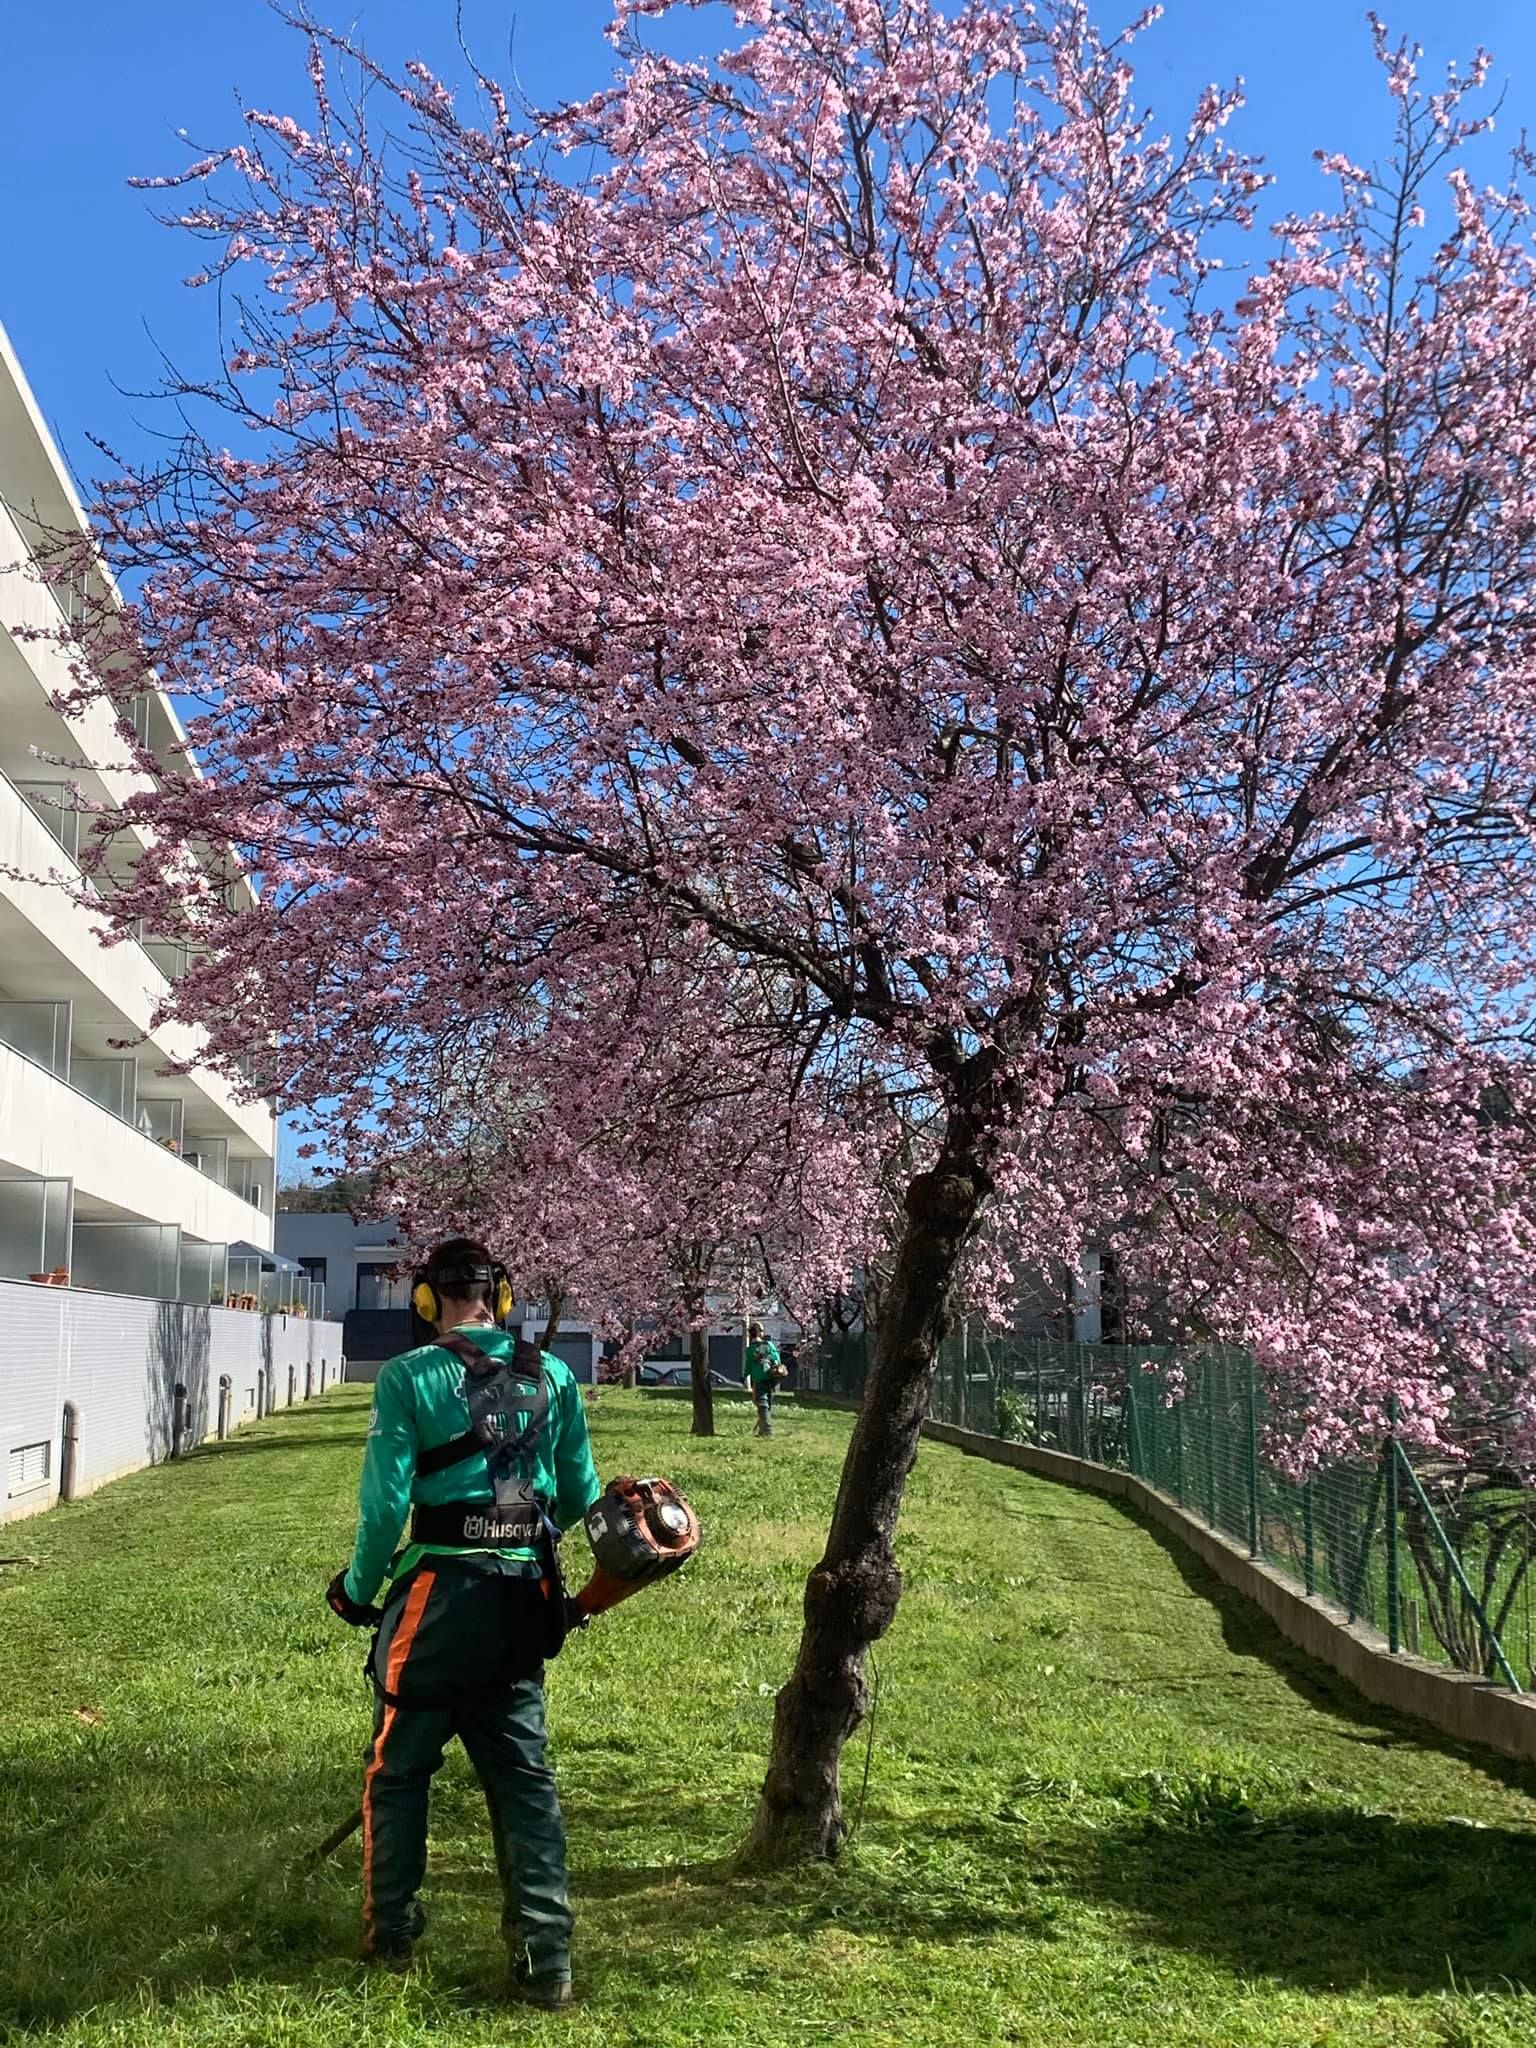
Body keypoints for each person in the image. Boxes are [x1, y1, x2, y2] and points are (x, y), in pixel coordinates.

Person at [325, 1237, 601, 2008]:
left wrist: (355, 1590)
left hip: (435, 1608)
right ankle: (547, 1963)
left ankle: (390, 1936)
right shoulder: (554, 1375)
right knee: (524, 1785)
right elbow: (578, 1500)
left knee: (399, 1770)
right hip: (521, 1607)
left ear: (423, 1301)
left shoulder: (409, 1376)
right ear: (502, 1297)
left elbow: (384, 1509)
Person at [743, 1320, 783, 1437]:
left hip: (758, 1378)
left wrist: (745, 1376)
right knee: (768, 1402)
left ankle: (766, 1429)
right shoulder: (768, 1345)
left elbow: (749, 1366)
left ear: (750, 1334)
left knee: (761, 1403)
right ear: (760, 1333)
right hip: (770, 1377)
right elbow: (777, 1359)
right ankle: (763, 1429)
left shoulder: (750, 1350)